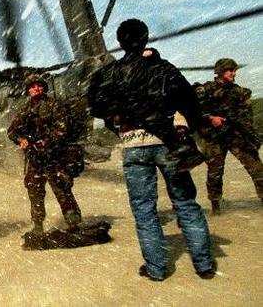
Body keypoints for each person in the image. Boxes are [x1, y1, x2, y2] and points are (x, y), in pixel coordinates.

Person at [89, 19, 215, 281]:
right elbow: (190, 102)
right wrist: (184, 129)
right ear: (146, 39)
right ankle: (204, 265)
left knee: (144, 210)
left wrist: (118, 126)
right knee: (185, 203)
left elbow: (96, 106)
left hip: (134, 147)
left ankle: (156, 269)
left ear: (120, 42)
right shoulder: (163, 68)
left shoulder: (108, 74)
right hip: (168, 144)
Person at [7, 74, 82, 240]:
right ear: (28, 90)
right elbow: (11, 131)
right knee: (34, 190)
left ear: (44, 88)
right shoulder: (25, 109)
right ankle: (38, 226)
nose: (36, 88)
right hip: (35, 159)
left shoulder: (54, 105)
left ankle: (74, 224)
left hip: (54, 156)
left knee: (62, 189)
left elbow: (62, 130)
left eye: (39, 85)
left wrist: (45, 142)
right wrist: (22, 140)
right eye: (32, 86)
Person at [194, 58, 263, 213]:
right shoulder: (205, 90)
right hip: (215, 138)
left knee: (257, 168)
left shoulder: (238, 91)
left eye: (234, 70)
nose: (234, 73)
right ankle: (216, 205)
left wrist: (252, 136)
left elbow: (246, 117)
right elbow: (193, 111)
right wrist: (211, 118)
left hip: (236, 136)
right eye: (230, 70)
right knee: (215, 173)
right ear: (220, 71)